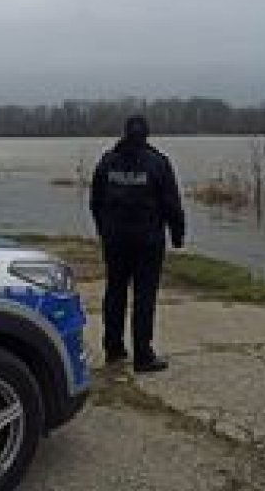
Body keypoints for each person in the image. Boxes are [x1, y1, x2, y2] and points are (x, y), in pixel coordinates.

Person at [90, 116, 185, 373]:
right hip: (148, 241)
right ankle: (143, 355)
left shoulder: (108, 161)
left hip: (115, 240)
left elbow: (95, 201)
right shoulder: (158, 163)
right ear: (147, 134)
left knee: (115, 292)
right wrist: (177, 235)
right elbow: (171, 204)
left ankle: (113, 348)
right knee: (144, 297)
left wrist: (103, 230)